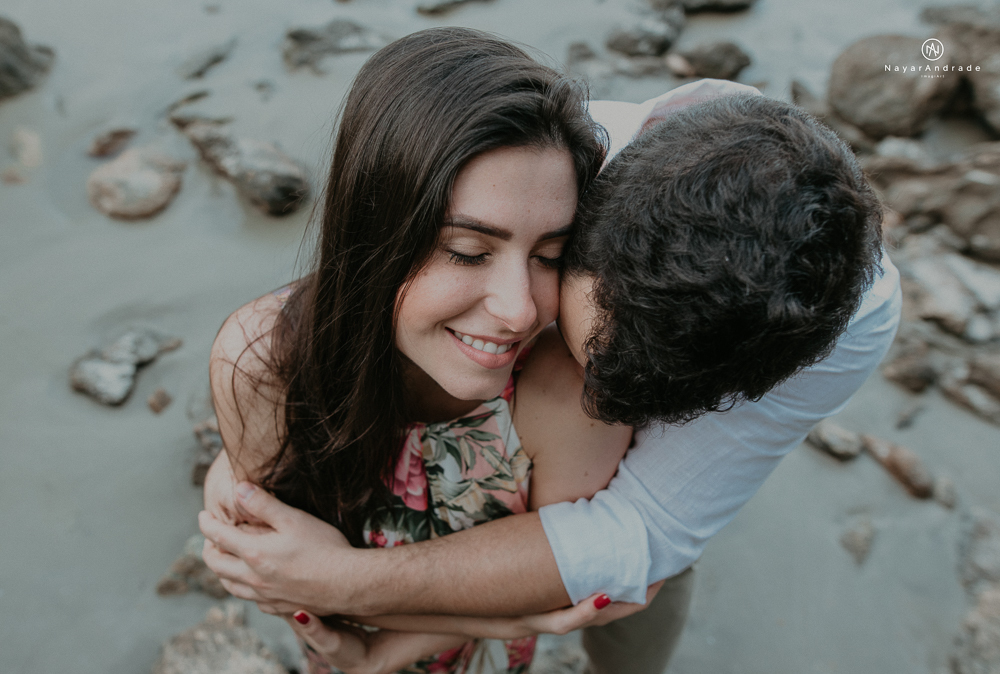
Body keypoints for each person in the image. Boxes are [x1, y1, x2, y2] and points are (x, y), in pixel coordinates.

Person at [200, 83, 902, 674]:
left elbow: (649, 529)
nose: (516, 310)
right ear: (583, 229)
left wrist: (346, 587)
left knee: (652, 568)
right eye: (589, 351)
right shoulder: (547, 171)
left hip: (540, 464)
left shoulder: (848, 322)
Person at [204, 26, 634, 674]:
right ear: (372, 232)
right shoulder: (263, 361)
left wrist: (390, 646)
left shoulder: (570, 390)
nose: (520, 309)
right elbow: (281, 578)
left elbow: (561, 579)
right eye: (467, 251)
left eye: (550, 255)